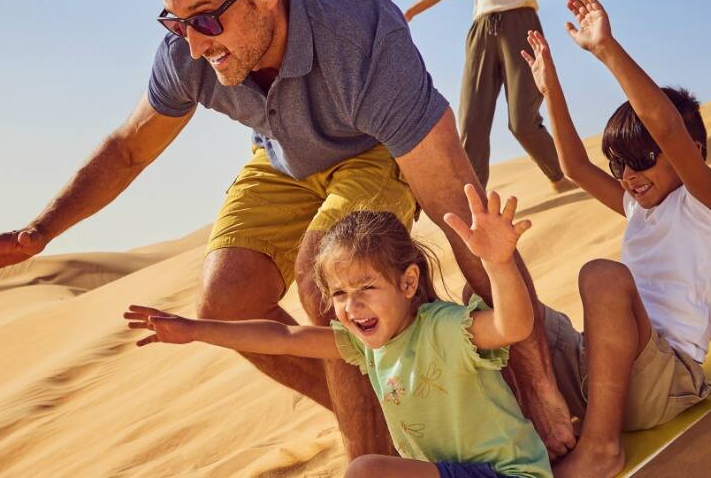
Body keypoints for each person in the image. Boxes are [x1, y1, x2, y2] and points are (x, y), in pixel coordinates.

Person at [0, 0, 580, 460]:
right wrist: (40, 232)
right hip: (281, 155)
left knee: (324, 282)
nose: (193, 43)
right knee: (225, 303)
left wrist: (542, 392)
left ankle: (377, 452)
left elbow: (458, 203)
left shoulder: (361, 35)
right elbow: (128, 149)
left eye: (204, 19)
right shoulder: (189, 52)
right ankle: (390, 418)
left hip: (371, 152)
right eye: (174, 22)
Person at [128, 187, 552, 478]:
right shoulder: (366, 345)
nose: (352, 305)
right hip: (451, 473)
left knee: (366, 471)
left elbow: (512, 325)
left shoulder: (441, 328)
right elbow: (282, 339)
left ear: (407, 284)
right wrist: (196, 330)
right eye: (340, 293)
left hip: (507, 474)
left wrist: (499, 263)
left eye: (367, 287)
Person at [518, 0, 711, 478]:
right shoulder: (638, 209)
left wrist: (606, 50)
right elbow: (575, 167)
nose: (627, 176)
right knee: (518, 315)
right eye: (619, 164)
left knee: (602, 276)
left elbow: (665, 126)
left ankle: (600, 448)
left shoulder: (708, 204)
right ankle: (524, 439)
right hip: (605, 376)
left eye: (642, 160)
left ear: (694, 151)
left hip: (664, 382)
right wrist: (550, 91)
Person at [404, 0, 631, 191]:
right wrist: (410, 12)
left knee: (522, 121)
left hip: (522, 28)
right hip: (482, 32)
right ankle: (475, 197)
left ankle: (561, 176)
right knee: (472, 122)